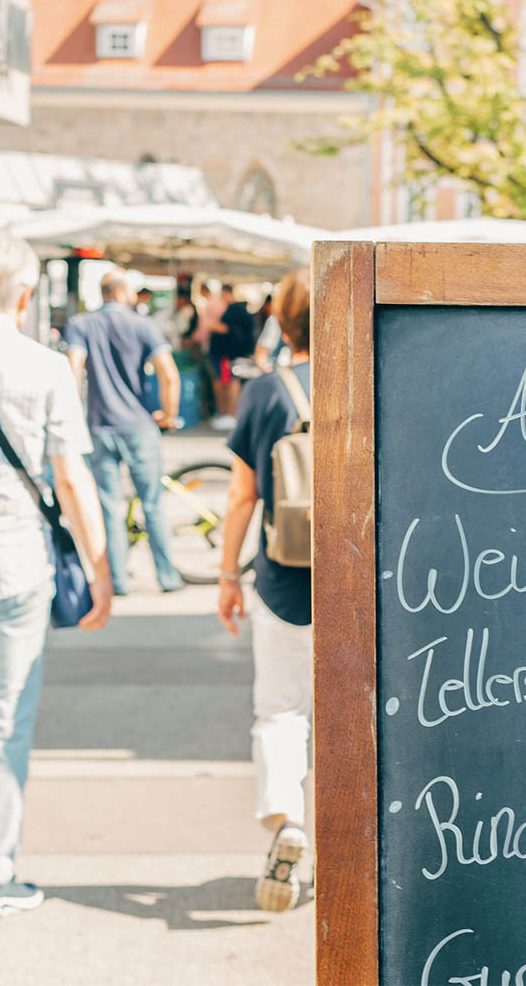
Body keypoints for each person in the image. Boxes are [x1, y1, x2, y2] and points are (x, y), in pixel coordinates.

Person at [0, 233, 113, 920]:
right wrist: (100, 566)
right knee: (3, 720)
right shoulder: (44, 366)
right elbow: (71, 478)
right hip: (16, 564)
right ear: (24, 296)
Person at [217, 269, 312, 912]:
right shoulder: (370, 379)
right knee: (354, 717)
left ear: (281, 316)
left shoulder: (264, 393)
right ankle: (351, 843)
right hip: (367, 578)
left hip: (283, 577)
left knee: (281, 710)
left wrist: (227, 576)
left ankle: (288, 823)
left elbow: (242, 495)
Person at [64, 269, 184, 596]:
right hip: (139, 425)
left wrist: (74, 415)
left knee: (109, 506)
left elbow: (73, 369)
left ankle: (117, 581)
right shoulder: (144, 326)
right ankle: (167, 577)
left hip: (98, 426)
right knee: (153, 503)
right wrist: (169, 415)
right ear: (119, 293)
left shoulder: (81, 324)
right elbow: (169, 375)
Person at [208, 285, 255, 432]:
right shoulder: (241, 310)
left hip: (227, 354)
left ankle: (230, 414)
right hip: (233, 353)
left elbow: (226, 329)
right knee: (230, 382)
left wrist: (213, 326)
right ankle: (229, 414)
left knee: (229, 382)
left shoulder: (233, 311)